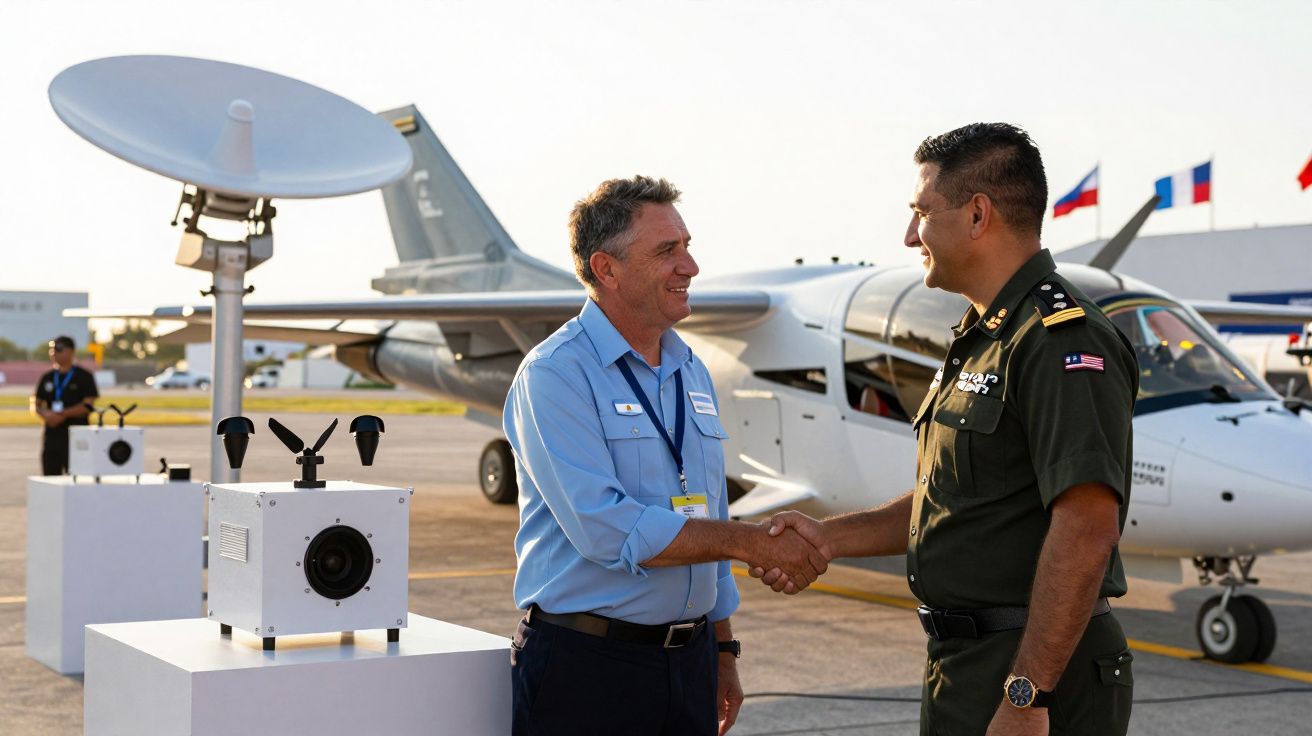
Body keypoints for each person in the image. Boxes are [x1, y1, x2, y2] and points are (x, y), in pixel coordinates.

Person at [754, 124, 1138, 736]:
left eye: (922, 213)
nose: (911, 235)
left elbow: (1087, 528)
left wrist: (1025, 695)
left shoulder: (1058, 339)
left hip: (1033, 674)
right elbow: (956, 504)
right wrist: (828, 538)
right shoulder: (984, 337)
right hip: (967, 666)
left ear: (978, 215)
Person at [504, 175, 829, 736]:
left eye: (687, 246)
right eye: (667, 251)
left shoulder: (689, 369)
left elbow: (708, 511)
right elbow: (606, 528)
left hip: (690, 661)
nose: (691, 267)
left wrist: (724, 649)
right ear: (606, 269)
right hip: (588, 669)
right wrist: (750, 542)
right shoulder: (555, 374)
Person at [31, 335, 99, 475]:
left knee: (78, 479)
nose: (54, 353)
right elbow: (37, 404)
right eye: (52, 349)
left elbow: (88, 405)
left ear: (71, 351)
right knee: (50, 479)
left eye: (58, 349)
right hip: (52, 437)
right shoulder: (47, 377)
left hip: (77, 437)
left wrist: (63, 414)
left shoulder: (84, 376)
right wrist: (47, 415)